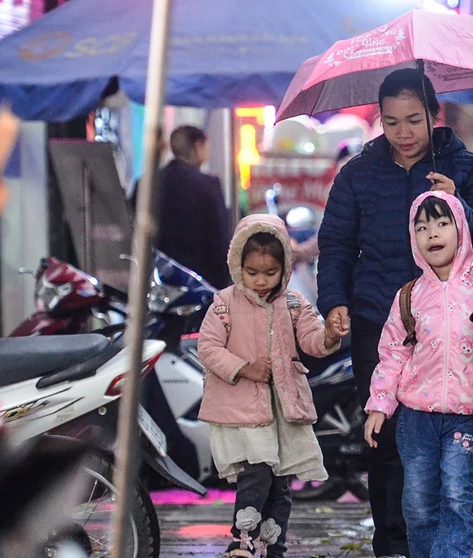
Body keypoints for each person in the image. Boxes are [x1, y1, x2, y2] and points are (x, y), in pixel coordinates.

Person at [317, 68, 473, 558]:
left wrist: (458, 205)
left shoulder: (467, 167)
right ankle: (392, 545)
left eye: (414, 120)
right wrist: (335, 302)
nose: (404, 133)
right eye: (392, 122)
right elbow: (336, 243)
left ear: (436, 114)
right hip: (378, 320)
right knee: (386, 438)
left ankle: (438, 545)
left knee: (443, 448)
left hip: (449, 324)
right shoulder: (358, 174)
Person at [196, 214, 348, 558]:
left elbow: (311, 338)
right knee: (257, 470)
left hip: (283, 409)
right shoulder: (224, 303)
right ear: (237, 264)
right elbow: (208, 347)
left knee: (281, 480)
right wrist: (244, 369)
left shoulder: (293, 303)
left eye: (270, 273)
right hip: (242, 409)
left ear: (285, 267)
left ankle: (273, 542)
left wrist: (329, 336)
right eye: (252, 273)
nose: (261, 281)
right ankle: (243, 539)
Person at [363, 191, 473, 558]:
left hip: (467, 415)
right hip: (416, 418)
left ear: (461, 230)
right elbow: (392, 353)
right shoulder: (409, 296)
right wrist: (380, 404)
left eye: (442, 224)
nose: (432, 234)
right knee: (418, 503)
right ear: (414, 239)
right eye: (422, 227)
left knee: (457, 497)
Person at [133, 124, 232, 288]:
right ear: (198, 145)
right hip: (198, 284)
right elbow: (219, 240)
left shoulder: (145, 183)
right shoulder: (208, 185)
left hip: (155, 282)